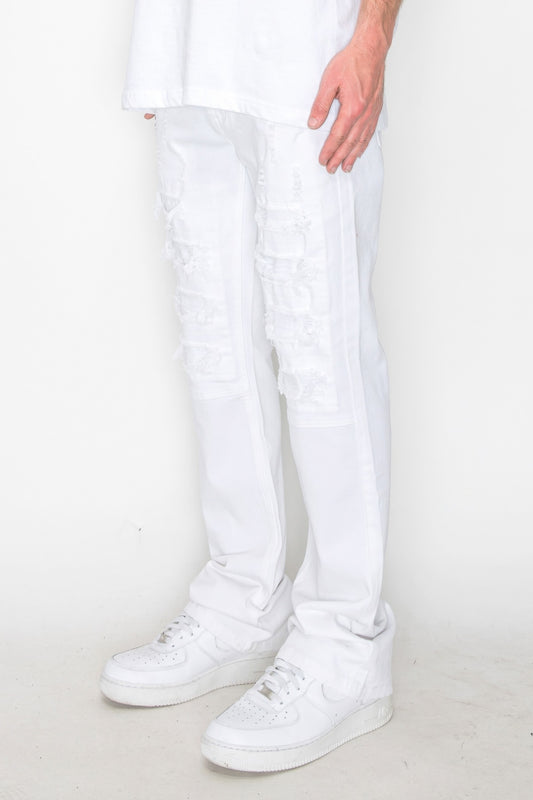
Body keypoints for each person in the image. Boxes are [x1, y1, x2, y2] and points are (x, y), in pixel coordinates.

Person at [101, 0, 404, 773]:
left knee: (320, 346)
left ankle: (344, 642)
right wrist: (165, 51)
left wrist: (371, 35)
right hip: (188, 51)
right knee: (215, 342)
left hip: (309, 54)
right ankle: (241, 600)